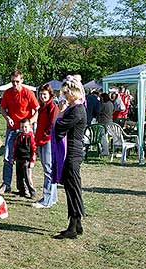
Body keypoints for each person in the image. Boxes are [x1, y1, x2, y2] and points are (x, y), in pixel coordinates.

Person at [53, 78, 87, 239]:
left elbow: (58, 125)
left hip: (72, 152)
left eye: (66, 93)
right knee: (72, 188)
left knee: (72, 188)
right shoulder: (75, 108)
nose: (64, 96)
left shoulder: (77, 110)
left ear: (73, 93)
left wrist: (60, 112)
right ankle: (77, 223)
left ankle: (73, 227)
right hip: (72, 151)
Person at [0, 70, 39, 194]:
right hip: (11, 129)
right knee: (8, 157)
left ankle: (27, 186)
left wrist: (29, 123)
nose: (15, 84)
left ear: (22, 80)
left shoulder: (28, 93)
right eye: (12, 82)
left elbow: (37, 110)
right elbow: (3, 109)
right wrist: (7, 117)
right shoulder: (7, 93)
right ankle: (6, 184)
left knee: (25, 160)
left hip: (25, 131)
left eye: (17, 81)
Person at [32, 83, 59, 208]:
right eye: (41, 94)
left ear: (50, 94)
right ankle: (52, 197)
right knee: (48, 169)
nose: (42, 96)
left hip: (48, 140)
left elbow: (53, 125)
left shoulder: (52, 106)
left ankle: (47, 200)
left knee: (48, 170)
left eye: (45, 94)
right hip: (41, 140)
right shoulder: (42, 107)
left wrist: (46, 134)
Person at [12, 118, 36, 199]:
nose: (24, 129)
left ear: (30, 126)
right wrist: (14, 157)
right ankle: (22, 191)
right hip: (19, 158)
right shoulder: (19, 135)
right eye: (22, 127)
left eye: (26, 127)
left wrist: (32, 161)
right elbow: (15, 147)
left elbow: (33, 149)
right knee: (19, 176)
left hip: (27, 160)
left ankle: (32, 192)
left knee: (27, 177)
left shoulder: (31, 137)